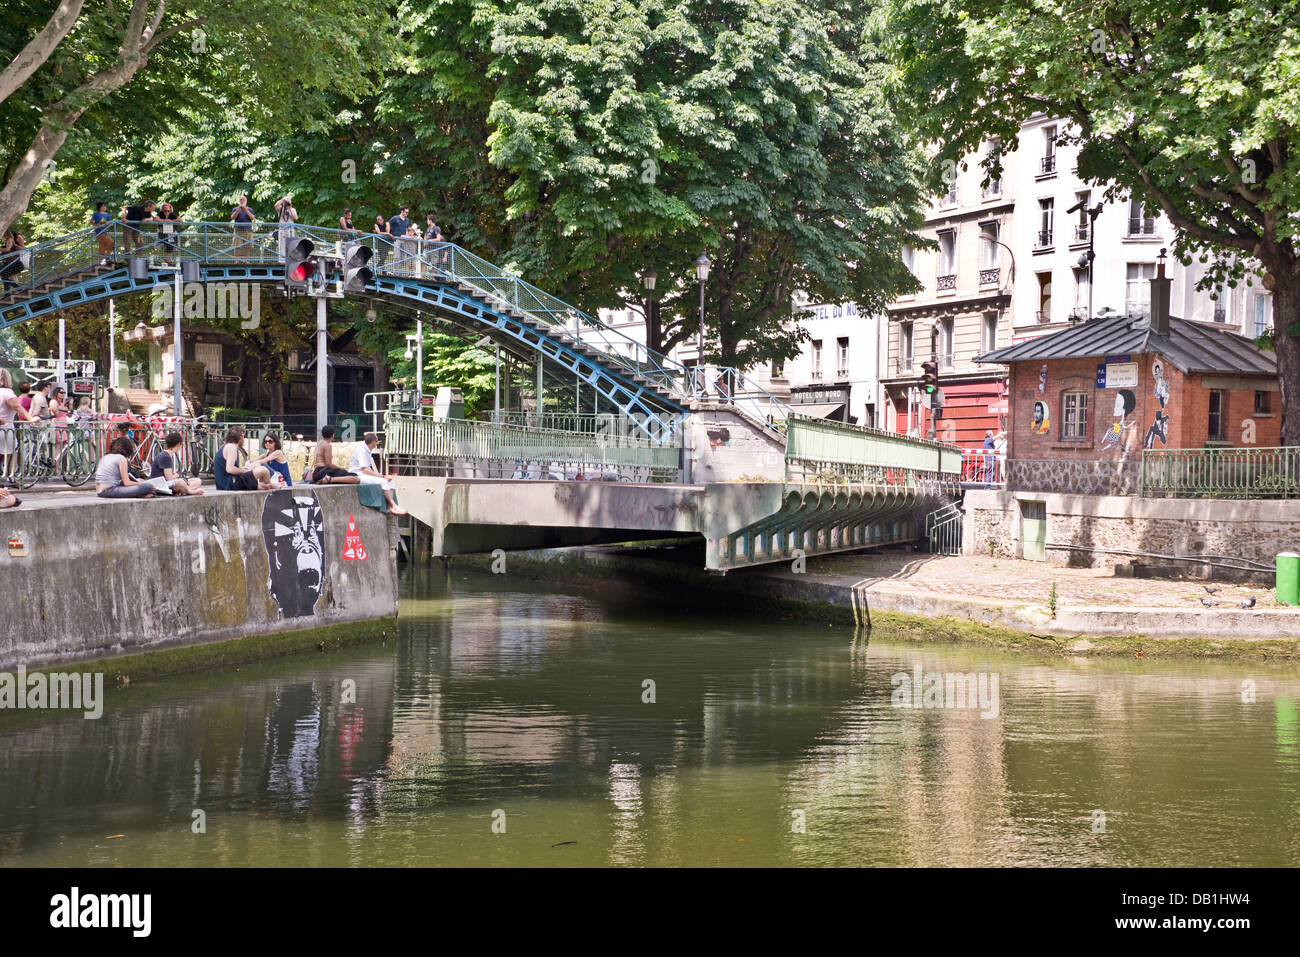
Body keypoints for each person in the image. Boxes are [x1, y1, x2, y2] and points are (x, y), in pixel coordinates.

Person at [348, 432, 407, 514]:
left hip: (364, 474)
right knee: (383, 481)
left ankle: (391, 507)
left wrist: (382, 476)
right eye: (376, 441)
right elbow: (365, 470)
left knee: (390, 482)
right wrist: (382, 476)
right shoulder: (362, 450)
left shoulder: (367, 450)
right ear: (373, 442)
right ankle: (394, 506)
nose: (377, 443)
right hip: (358, 475)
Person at [1, 368, 35, 490]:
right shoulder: (7, 393)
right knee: (11, 453)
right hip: (5, 428)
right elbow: (17, 407)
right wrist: (30, 418)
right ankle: (10, 477)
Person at [213, 426, 271, 490]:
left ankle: (270, 487)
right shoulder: (232, 447)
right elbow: (230, 469)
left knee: (260, 485)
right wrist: (245, 470)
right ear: (241, 436)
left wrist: (246, 468)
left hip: (226, 483)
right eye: (244, 437)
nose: (244, 439)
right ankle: (271, 495)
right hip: (230, 484)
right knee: (263, 470)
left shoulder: (226, 446)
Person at [230, 195, 257, 260]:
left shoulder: (250, 209)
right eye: (240, 200)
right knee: (237, 246)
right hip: (238, 230)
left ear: (246, 201)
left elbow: (252, 218)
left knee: (248, 246)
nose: (242, 201)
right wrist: (238, 210)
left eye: (243, 200)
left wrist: (246, 210)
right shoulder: (235, 209)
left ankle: (246, 260)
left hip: (248, 230)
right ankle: (237, 261)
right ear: (238, 201)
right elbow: (232, 217)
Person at [389, 205, 412, 275]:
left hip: (404, 240)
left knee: (402, 257)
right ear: (402, 211)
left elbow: (408, 229)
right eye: (406, 212)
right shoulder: (395, 218)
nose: (407, 214)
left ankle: (399, 272)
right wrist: (389, 234)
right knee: (396, 256)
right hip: (397, 239)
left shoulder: (407, 220)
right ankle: (396, 273)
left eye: (408, 212)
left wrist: (410, 235)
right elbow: (387, 224)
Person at [274, 194, 297, 259]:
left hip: (290, 230)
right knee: (282, 245)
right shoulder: (281, 209)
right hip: (282, 230)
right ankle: (282, 259)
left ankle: (290, 259)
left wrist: (290, 208)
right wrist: (283, 200)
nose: (287, 204)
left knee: (291, 244)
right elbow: (275, 205)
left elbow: (295, 218)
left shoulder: (292, 209)